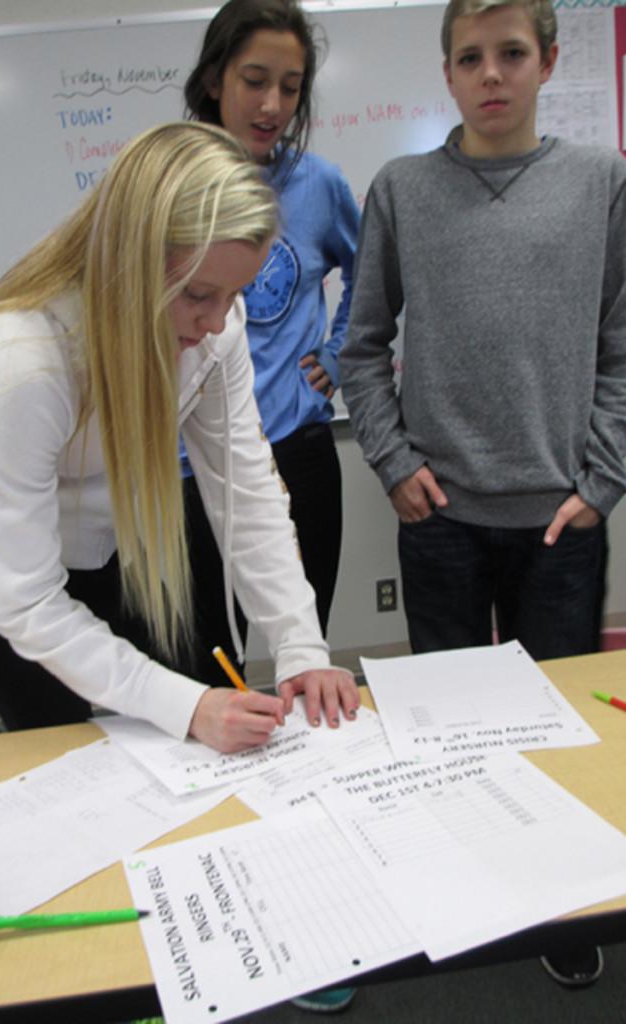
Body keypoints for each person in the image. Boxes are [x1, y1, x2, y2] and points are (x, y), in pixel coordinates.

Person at [340, 0, 626, 988]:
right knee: (445, 731)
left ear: (548, 61)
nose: (491, 74)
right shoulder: (401, 188)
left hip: (560, 523)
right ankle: (463, 888)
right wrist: (392, 461)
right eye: (469, 57)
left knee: (559, 732)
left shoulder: (601, 184)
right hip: (440, 522)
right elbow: (358, 349)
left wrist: (600, 482)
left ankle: (559, 901)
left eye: (511, 53)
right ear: (447, 73)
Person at [0, 121, 359, 756]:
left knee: (169, 747)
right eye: (198, 294)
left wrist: (301, 644)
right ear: (130, 262)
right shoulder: (20, 361)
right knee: (67, 758)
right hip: (8, 580)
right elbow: (27, 605)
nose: (220, 321)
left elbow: (245, 488)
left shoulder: (214, 326)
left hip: (116, 548)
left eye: (234, 294)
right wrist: (188, 705)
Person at [182, 0, 360, 687]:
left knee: (301, 650)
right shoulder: (170, 185)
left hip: (297, 451)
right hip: (188, 464)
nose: (272, 103)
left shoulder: (319, 186)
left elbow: (371, 267)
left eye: (290, 87)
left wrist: (339, 352)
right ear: (214, 80)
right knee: (199, 664)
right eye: (255, 80)